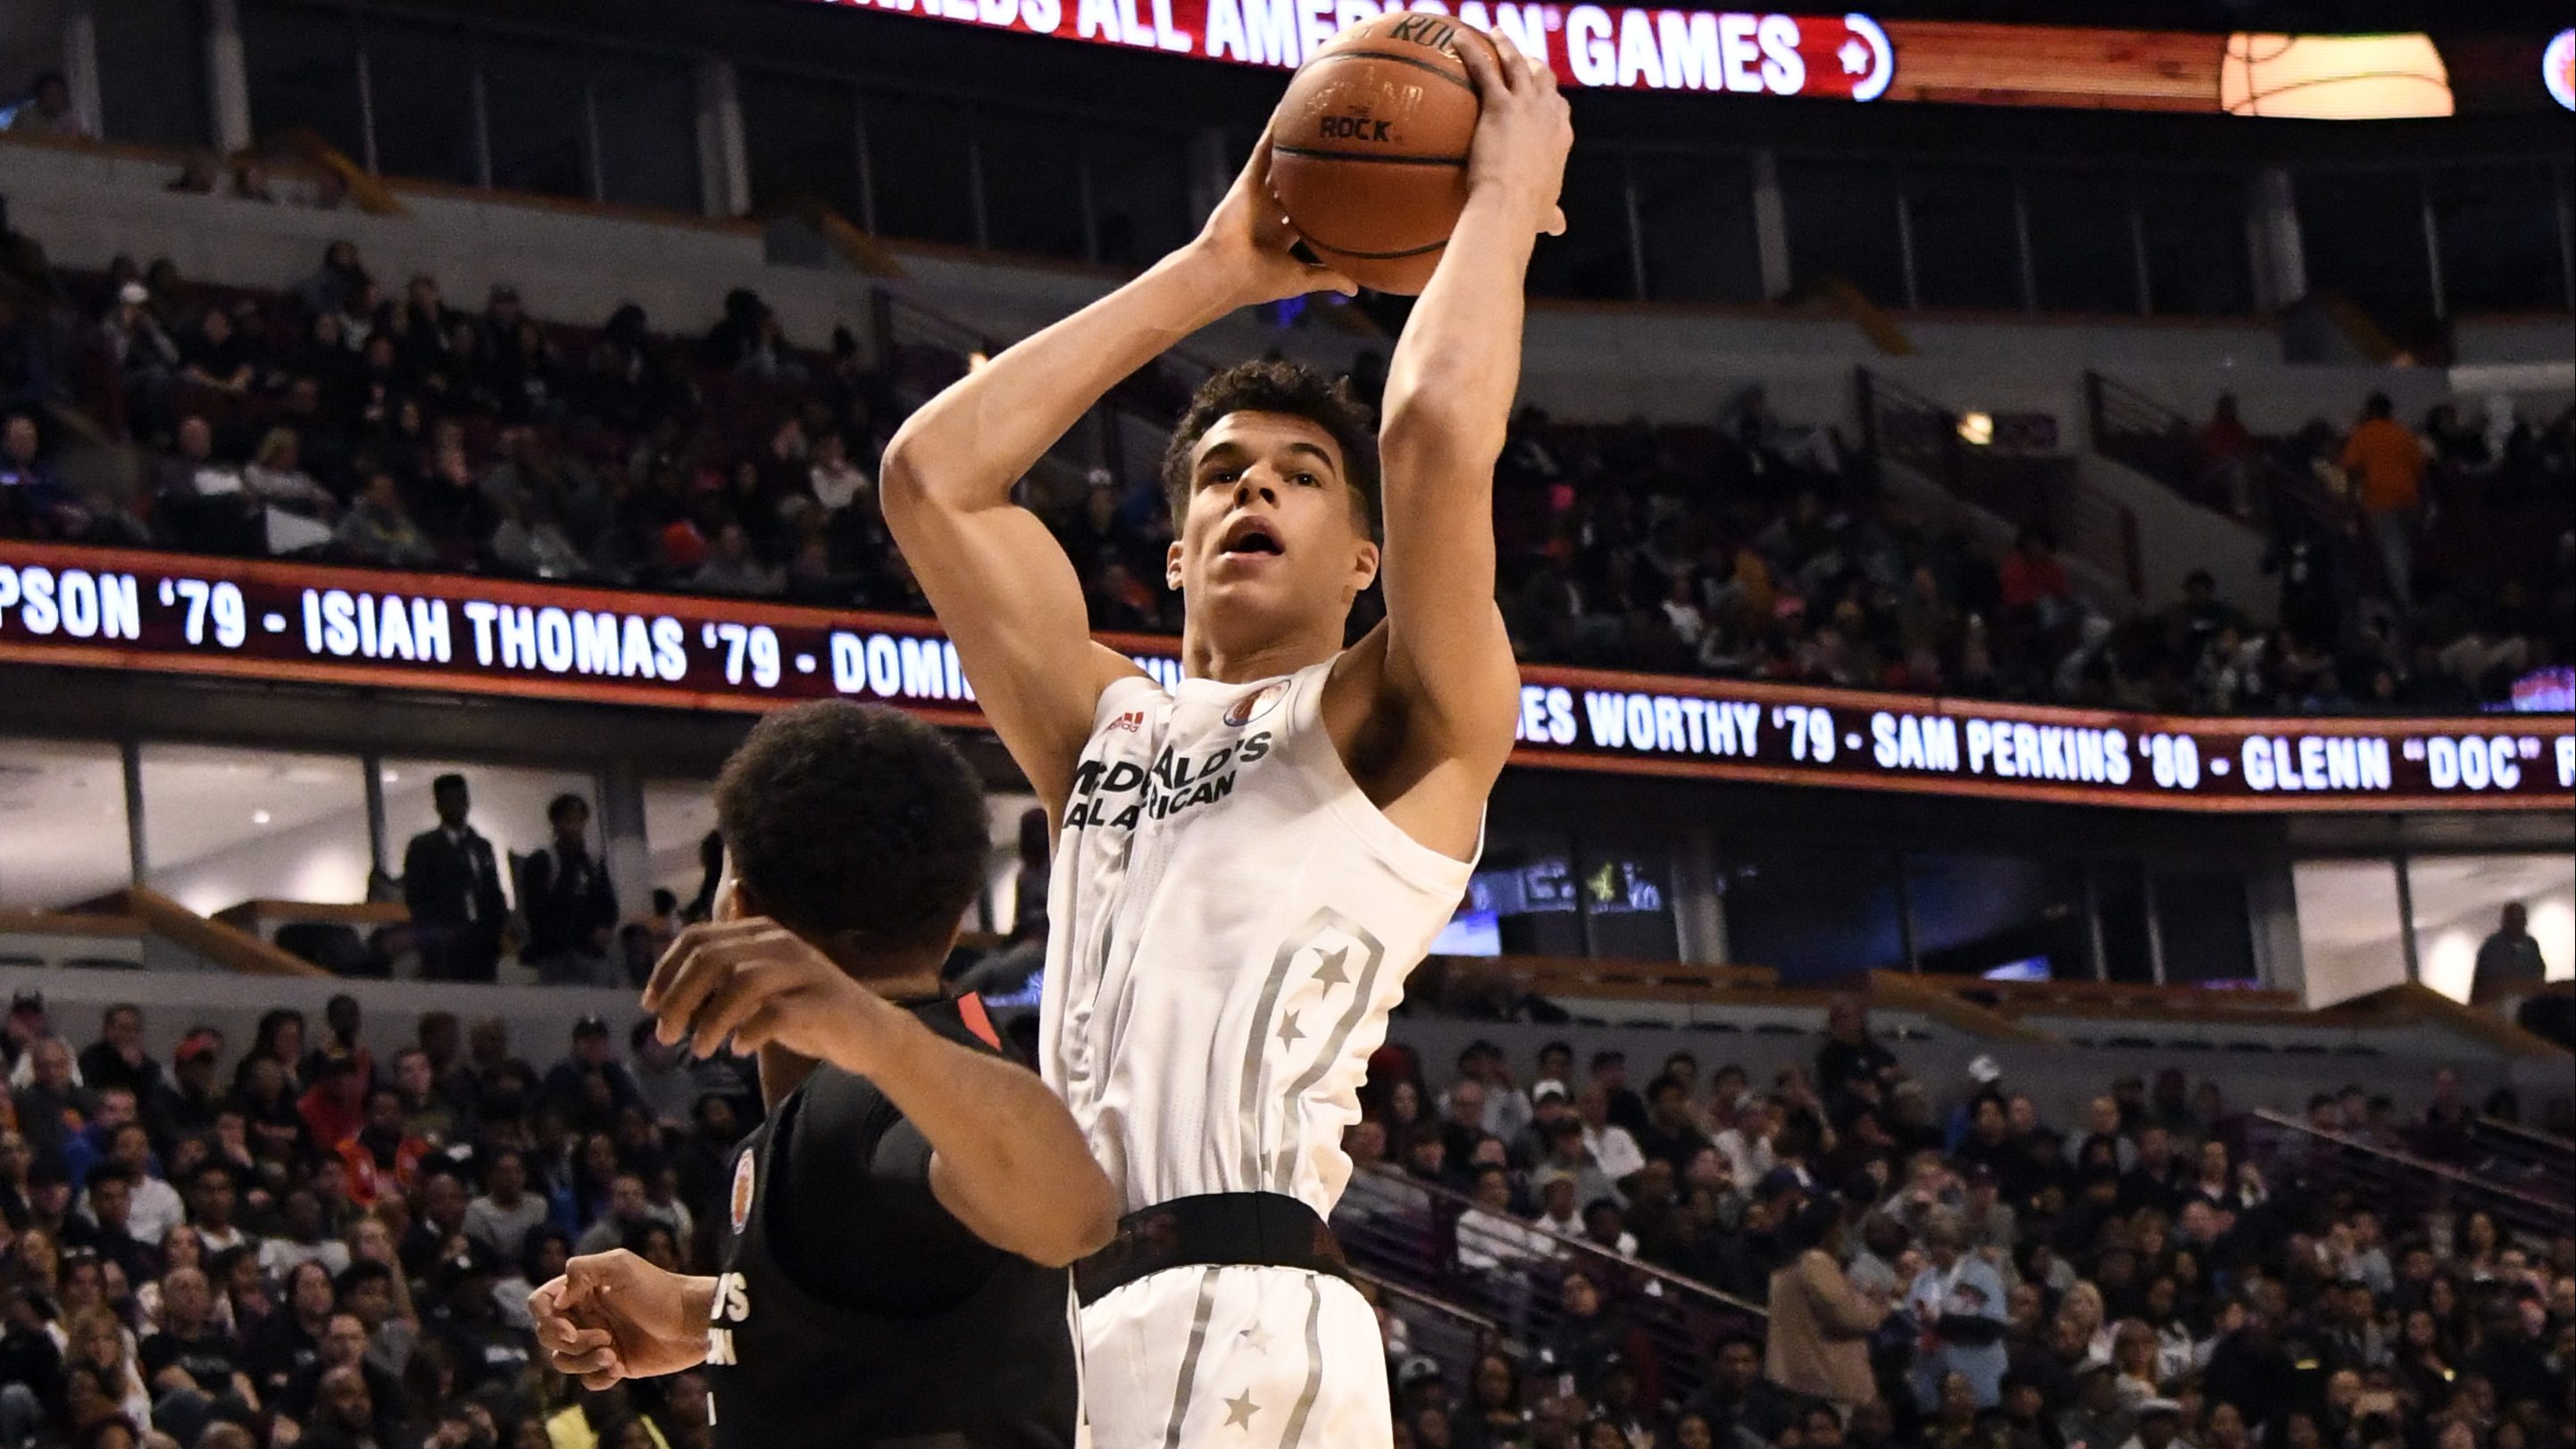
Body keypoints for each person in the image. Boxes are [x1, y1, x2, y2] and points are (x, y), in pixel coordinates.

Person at [879, 37, 1569, 1445]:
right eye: (1218, 474)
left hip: (1243, 1302)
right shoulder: (1103, 727)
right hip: (1071, 1313)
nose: (1255, 481)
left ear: (1363, 562)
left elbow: (1435, 425)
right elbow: (930, 479)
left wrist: (1498, 197)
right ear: (1180, 552)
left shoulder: (1402, 715)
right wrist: (1216, 264)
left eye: (1302, 475)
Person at [529, 701, 1115, 1446]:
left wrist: (870, 1032)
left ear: (737, 904)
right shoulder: (899, 1088)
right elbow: (912, 1309)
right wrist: (702, 1315)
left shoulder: (875, 1096)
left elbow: (1073, 1212)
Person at [1765, 1198, 1888, 1412]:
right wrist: (1879, 1308)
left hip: (1801, 1378)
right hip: (1825, 1381)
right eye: (1840, 1226)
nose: (1843, 1233)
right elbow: (1850, 1318)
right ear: (1828, 1230)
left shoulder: (1792, 1263)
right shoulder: (1816, 1263)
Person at [401, 774, 509, 982]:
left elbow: (492, 890)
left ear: (467, 803)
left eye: (460, 800)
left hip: (482, 941)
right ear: (438, 806)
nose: (455, 807)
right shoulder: (423, 847)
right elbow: (417, 897)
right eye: (448, 801)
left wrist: (495, 929)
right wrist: (435, 935)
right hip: (444, 943)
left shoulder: (480, 846)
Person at [518, 793, 621, 987]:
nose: (574, 825)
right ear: (556, 824)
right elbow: (537, 911)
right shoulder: (544, 860)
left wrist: (603, 929)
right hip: (556, 954)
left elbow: (608, 904)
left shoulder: (592, 864)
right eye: (568, 819)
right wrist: (576, 933)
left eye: (578, 820)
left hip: (591, 953)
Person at [2469, 903, 2548, 1012]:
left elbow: (2539, 974)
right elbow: (2489, 981)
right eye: (2512, 921)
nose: (2516, 925)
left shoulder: (2531, 945)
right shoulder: (2492, 946)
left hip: (2528, 1002)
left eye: (2519, 921)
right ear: (2504, 921)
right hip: (2497, 1004)